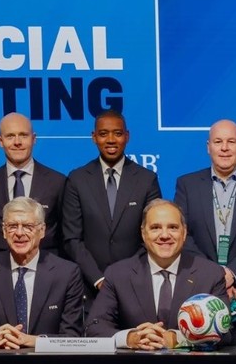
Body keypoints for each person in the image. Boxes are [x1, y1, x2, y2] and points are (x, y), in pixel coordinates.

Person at [174, 119, 236, 336]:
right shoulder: (187, 185)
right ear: (208, 146)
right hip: (198, 293)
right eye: (218, 141)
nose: (224, 148)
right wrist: (215, 275)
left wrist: (233, 274)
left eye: (231, 141)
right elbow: (183, 236)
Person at [86, 200, 232, 349]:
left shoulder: (210, 274)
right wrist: (130, 338)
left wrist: (178, 339)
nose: (164, 235)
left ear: (184, 233)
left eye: (173, 227)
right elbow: (94, 327)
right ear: (143, 233)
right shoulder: (118, 274)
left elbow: (225, 333)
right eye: (155, 228)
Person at [62, 110, 162, 301]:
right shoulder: (77, 179)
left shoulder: (146, 180)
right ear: (94, 137)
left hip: (136, 285)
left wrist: (126, 276)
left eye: (117, 133)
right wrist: (98, 279)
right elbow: (72, 239)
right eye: (103, 134)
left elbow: (153, 234)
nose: (110, 140)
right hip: (89, 289)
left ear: (127, 136)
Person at [0, 197, 84, 348]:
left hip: (49, 361)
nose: (19, 233)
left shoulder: (67, 273)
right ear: (4, 231)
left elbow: (72, 337)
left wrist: (32, 341)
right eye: (12, 226)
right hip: (1, 359)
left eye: (28, 226)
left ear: (42, 231)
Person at [0, 112, 67, 259]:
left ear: (33, 139)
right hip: (0, 267)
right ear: (0, 141)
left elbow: (65, 234)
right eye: (10, 136)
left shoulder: (57, 182)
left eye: (23, 135)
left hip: (47, 266)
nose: (17, 142)